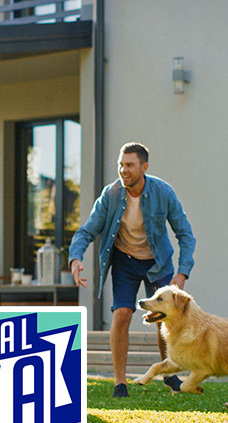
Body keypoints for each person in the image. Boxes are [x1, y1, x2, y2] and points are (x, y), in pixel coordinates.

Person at [68, 142, 196, 397]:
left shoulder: (163, 192)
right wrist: (75, 257)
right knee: (122, 314)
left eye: (129, 165)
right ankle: (120, 383)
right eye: (120, 165)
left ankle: (169, 374)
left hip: (157, 261)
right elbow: (87, 230)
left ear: (144, 167)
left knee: (165, 318)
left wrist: (181, 273)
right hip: (125, 261)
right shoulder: (111, 194)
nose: (123, 170)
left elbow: (185, 234)